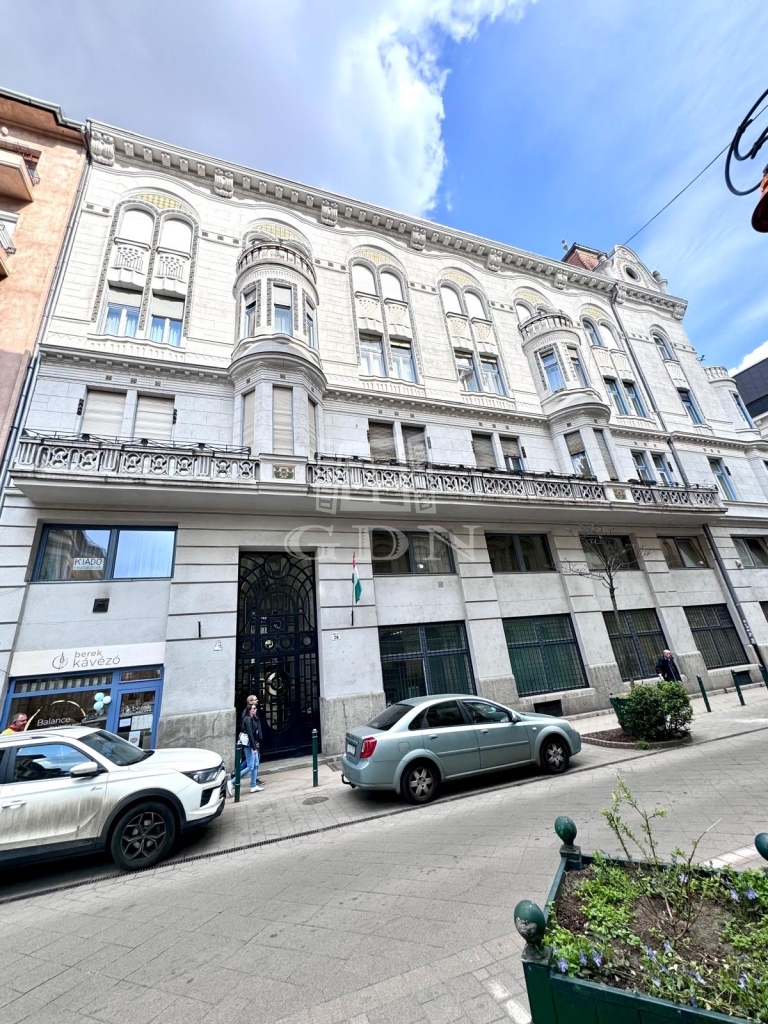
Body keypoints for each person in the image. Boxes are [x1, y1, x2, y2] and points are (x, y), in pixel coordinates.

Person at [241, 702, 264, 793]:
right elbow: (250, 734)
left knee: (255, 764)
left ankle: (253, 785)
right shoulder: (248, 720)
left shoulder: (254, 718)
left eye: (255, 708)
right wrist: (254, 747)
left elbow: (255, 732)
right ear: (249, 710)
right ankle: (233, 781)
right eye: (254, 708)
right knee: (251, 766)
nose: (255, 709)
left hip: (253, 744)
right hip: (249, 745)